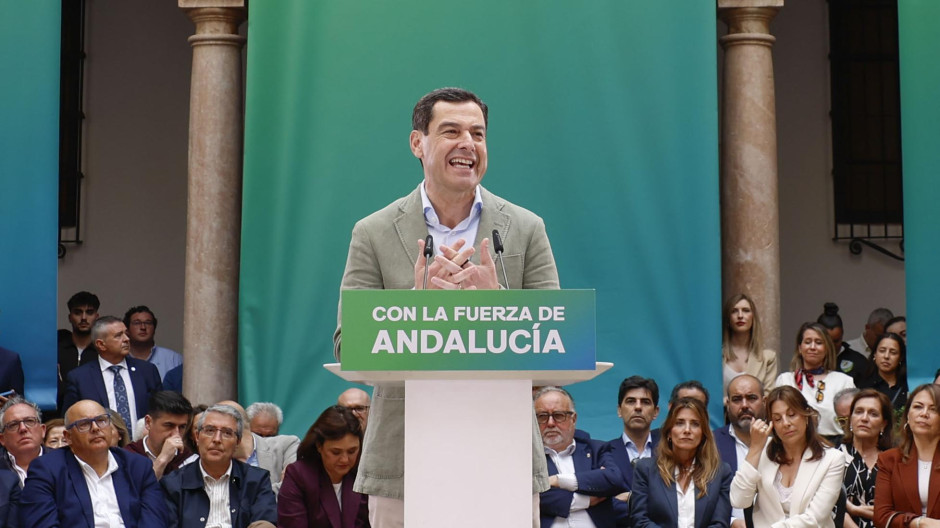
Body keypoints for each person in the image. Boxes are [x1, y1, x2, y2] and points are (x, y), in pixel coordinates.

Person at [333, 87, 560, 526]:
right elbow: (348, 346)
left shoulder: (526, 228)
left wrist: (501, 308)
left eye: (477, 133)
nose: (467, 144)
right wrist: (416, 309)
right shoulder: (373, 232)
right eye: (451, 131)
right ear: (418, 143)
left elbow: (558, 344)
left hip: (502, 452)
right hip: (404, 458)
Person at [20, 399, 168, 527]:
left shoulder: (138, 466)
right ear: (68, 437)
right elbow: (42, 524)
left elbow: (154, 521)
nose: (96, 428)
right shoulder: (47, 469)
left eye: (101, 421)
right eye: (84, 424)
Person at [729, 386, 847, 527]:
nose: (786, 423)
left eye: (792, 415)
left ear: (806, 416)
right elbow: (739, 500)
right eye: (777, 419)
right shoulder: (762, 449)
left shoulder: (833, 459)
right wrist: (754, 448)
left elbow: (814, 519)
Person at [160, 403, 277, 528]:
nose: (217, 439)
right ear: (197, 437)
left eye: (227, 433)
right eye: (210, 430)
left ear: (237, 442)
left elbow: (265, 522)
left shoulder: (256, 480)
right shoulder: (173, 484)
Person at [629, 397, 732, 527]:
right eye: (679, 423)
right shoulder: (646, 469)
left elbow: (720, 524)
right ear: (669, 433)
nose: (687, 430)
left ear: (703, 434)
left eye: (695, 424)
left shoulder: (721, 472)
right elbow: (640, 521)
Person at [536, 387, 622, 527]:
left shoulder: (596, 449)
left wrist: (557, 480)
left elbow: (614, 480)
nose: (550, 423)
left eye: (558, 415)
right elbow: (529, 496)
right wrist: (585, 500)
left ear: (573, 419)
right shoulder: (526, 458)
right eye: (542, 416)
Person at [62, 316, 164, 430]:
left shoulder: (147, 371)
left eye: (126, 334)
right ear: (101, 344)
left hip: (141, 445)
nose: (126, 339)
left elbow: (161, 412)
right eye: (118, 336)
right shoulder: (80, 377)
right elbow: (70, 420)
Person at [279, 405, 370, 527]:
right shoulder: (298, 475)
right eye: (336, 452)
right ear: (319, 446)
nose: (345, 459)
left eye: (352, 451)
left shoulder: (365, 475)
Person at [774, 322, 856, 441]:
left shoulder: (844, 381)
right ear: (800, 348)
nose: (812, 347)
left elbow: (852, 422)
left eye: (819, 342)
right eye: (807, 342)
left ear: (826, 348)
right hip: (796, 445)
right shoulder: (786, 380)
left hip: (835, 446)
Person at [873, 384, 940, 527]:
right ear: (908, 415)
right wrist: (919, 523)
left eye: (933, 409)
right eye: (918, 407)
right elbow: (881, 517)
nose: (924, 413)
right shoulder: (889, 459)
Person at [605, 375, 661, 524]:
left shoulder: (671, 451)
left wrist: (629, 498)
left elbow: (677, 504)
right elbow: (603, 508)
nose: (638, 407)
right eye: (631, 401)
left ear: (656, 412)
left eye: (645, 402)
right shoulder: (604, 452)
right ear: (619, 410)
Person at [714, 374, 765, 528]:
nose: (744, 405)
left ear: (764, 401)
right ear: (728, 404)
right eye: (737, 399)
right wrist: (732, 522)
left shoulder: (781, 441)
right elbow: (705, 497)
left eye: (751, 398)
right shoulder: (711, 443)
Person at [219, 400, 299, 495]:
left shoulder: (288, 444)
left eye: (270, 435)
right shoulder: (213, 454)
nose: (263, 439)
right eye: (258, 434)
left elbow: (292, 488)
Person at [840, 389, 894, 528]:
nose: (864, 418)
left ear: (884, 423)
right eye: (858, 412)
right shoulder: (834, 457)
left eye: (873, 414)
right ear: (850, 419)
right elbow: (829, 505)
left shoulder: (893, 460)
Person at [125, 390, 194, 479]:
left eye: (182, 427)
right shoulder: (127, 456)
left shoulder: (189, 460)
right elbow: (136, 492)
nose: (176, 434)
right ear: (148, 422)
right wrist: (163, 459)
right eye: (169, 425)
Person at [722, 293, 778, 394]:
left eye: (746, 310)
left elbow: (768, 396)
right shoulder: (716, 356)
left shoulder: (768, 358)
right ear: (728, 318)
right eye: (734, 311)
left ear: (753, 317)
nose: (740, 316)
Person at [57, 291, 101, 412]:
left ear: (97, 317)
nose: (83, 318)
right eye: (77, 312)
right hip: (56, 415)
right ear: (70, 317)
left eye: (89, 312)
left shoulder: (102, 351)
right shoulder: (56, 346)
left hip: (91, 414)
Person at [123, 306, 183, 380]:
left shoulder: (173, 359)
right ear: (127, 330)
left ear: (154, 329)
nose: (143, 327)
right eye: (137, 323)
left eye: (148, 323)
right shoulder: (119, 358)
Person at [818, 301, 869, 385]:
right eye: (827, 342)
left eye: (836, 341)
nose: (832, 346)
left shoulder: (859, 362)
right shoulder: (809, 360)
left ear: (842, 334)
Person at [0, 396, 45, 487]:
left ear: (43, 430)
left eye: (29, 421)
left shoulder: (65, 462)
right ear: (2, 439)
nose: (23, 428)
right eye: (13, 425)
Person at [859, 333, 908, 412]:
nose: (886, 356)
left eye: (893, 352)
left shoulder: (908, 384)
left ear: (900, 357)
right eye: (882, 351)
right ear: (875, 354)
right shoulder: (864, 385)